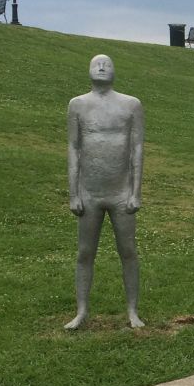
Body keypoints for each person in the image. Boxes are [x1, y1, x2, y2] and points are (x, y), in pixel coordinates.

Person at [65, 54, 146, 329]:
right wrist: (73, 193)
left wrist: (136, 192)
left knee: (128, 251)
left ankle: (132, 311)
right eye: (96, 64)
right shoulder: (77, 105)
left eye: (107, 64)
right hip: (89, 193)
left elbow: (137, 148)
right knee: (85, 252)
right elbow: (74, 148)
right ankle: (81, 311)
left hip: (121, 192)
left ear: (115, 71)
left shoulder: (131, 105)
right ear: (89, 70)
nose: (101, 66)